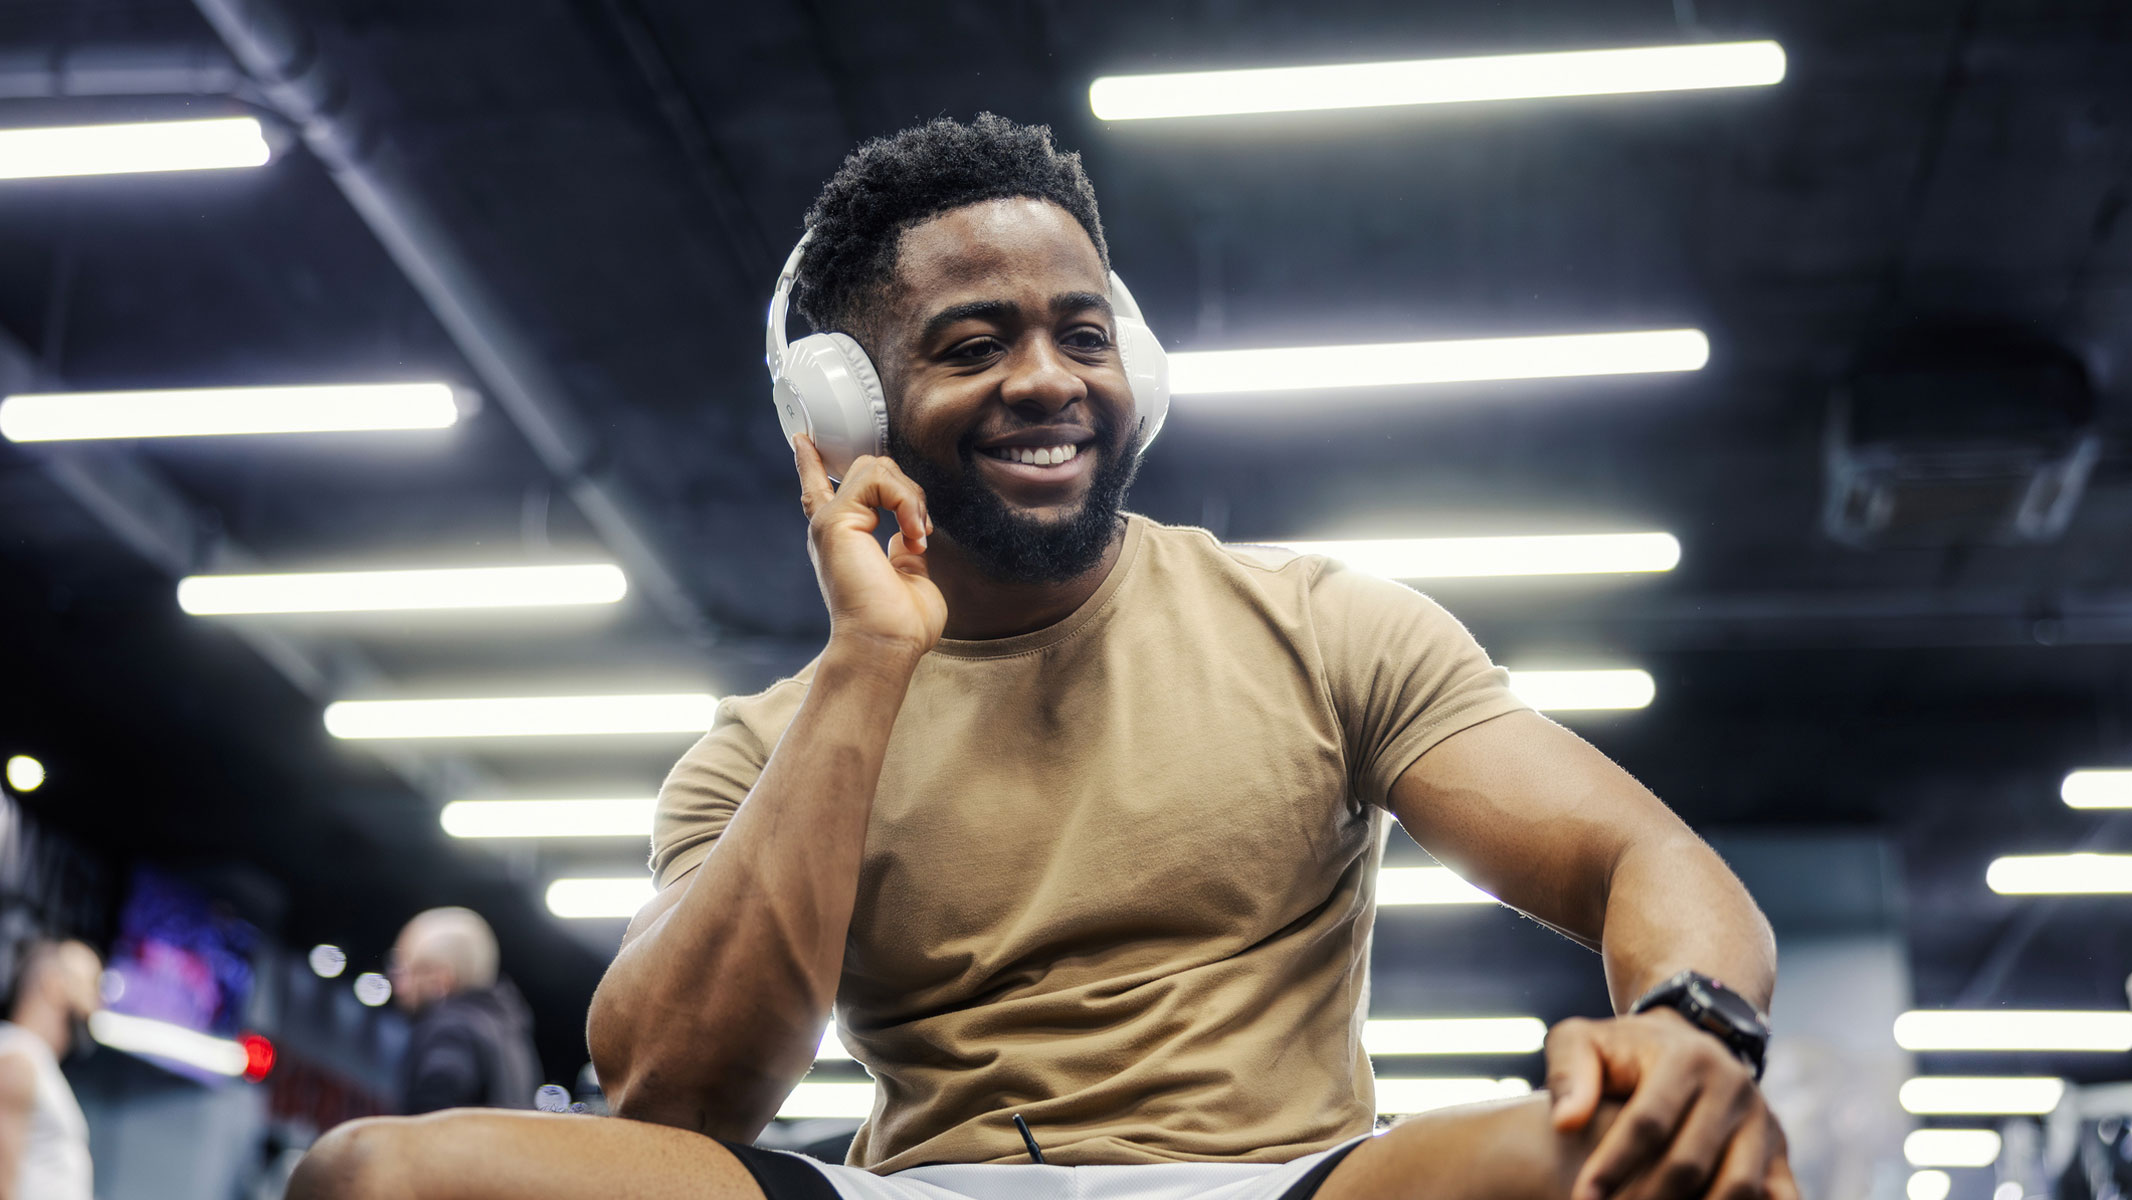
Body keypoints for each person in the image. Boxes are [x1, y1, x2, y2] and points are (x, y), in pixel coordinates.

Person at [289, 114, 1797, 1200]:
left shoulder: (1322, 623)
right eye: (970, 344)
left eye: (1083, 332)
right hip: (920, 1191)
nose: (1046, 380)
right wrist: (867, 668)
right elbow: (680, 1097)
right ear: (846, 415)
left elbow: (1641, 861)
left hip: (1282, 1184)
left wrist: (1687, 1031)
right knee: (384, 1178)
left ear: (1136, 368)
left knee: (1657, 1159)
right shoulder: (761, 748)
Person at [387, 907, 542, 1114]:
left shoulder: (450, 1030)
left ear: (441, 979)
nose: (396, 983)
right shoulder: (512, 1036)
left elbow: (431, 1120)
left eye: (404, 969)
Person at [0, 939, 100, 1200]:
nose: (96, 1003)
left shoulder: (34, 1062)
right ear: (53, 983)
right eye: (90, 985)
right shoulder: (17, 1059)